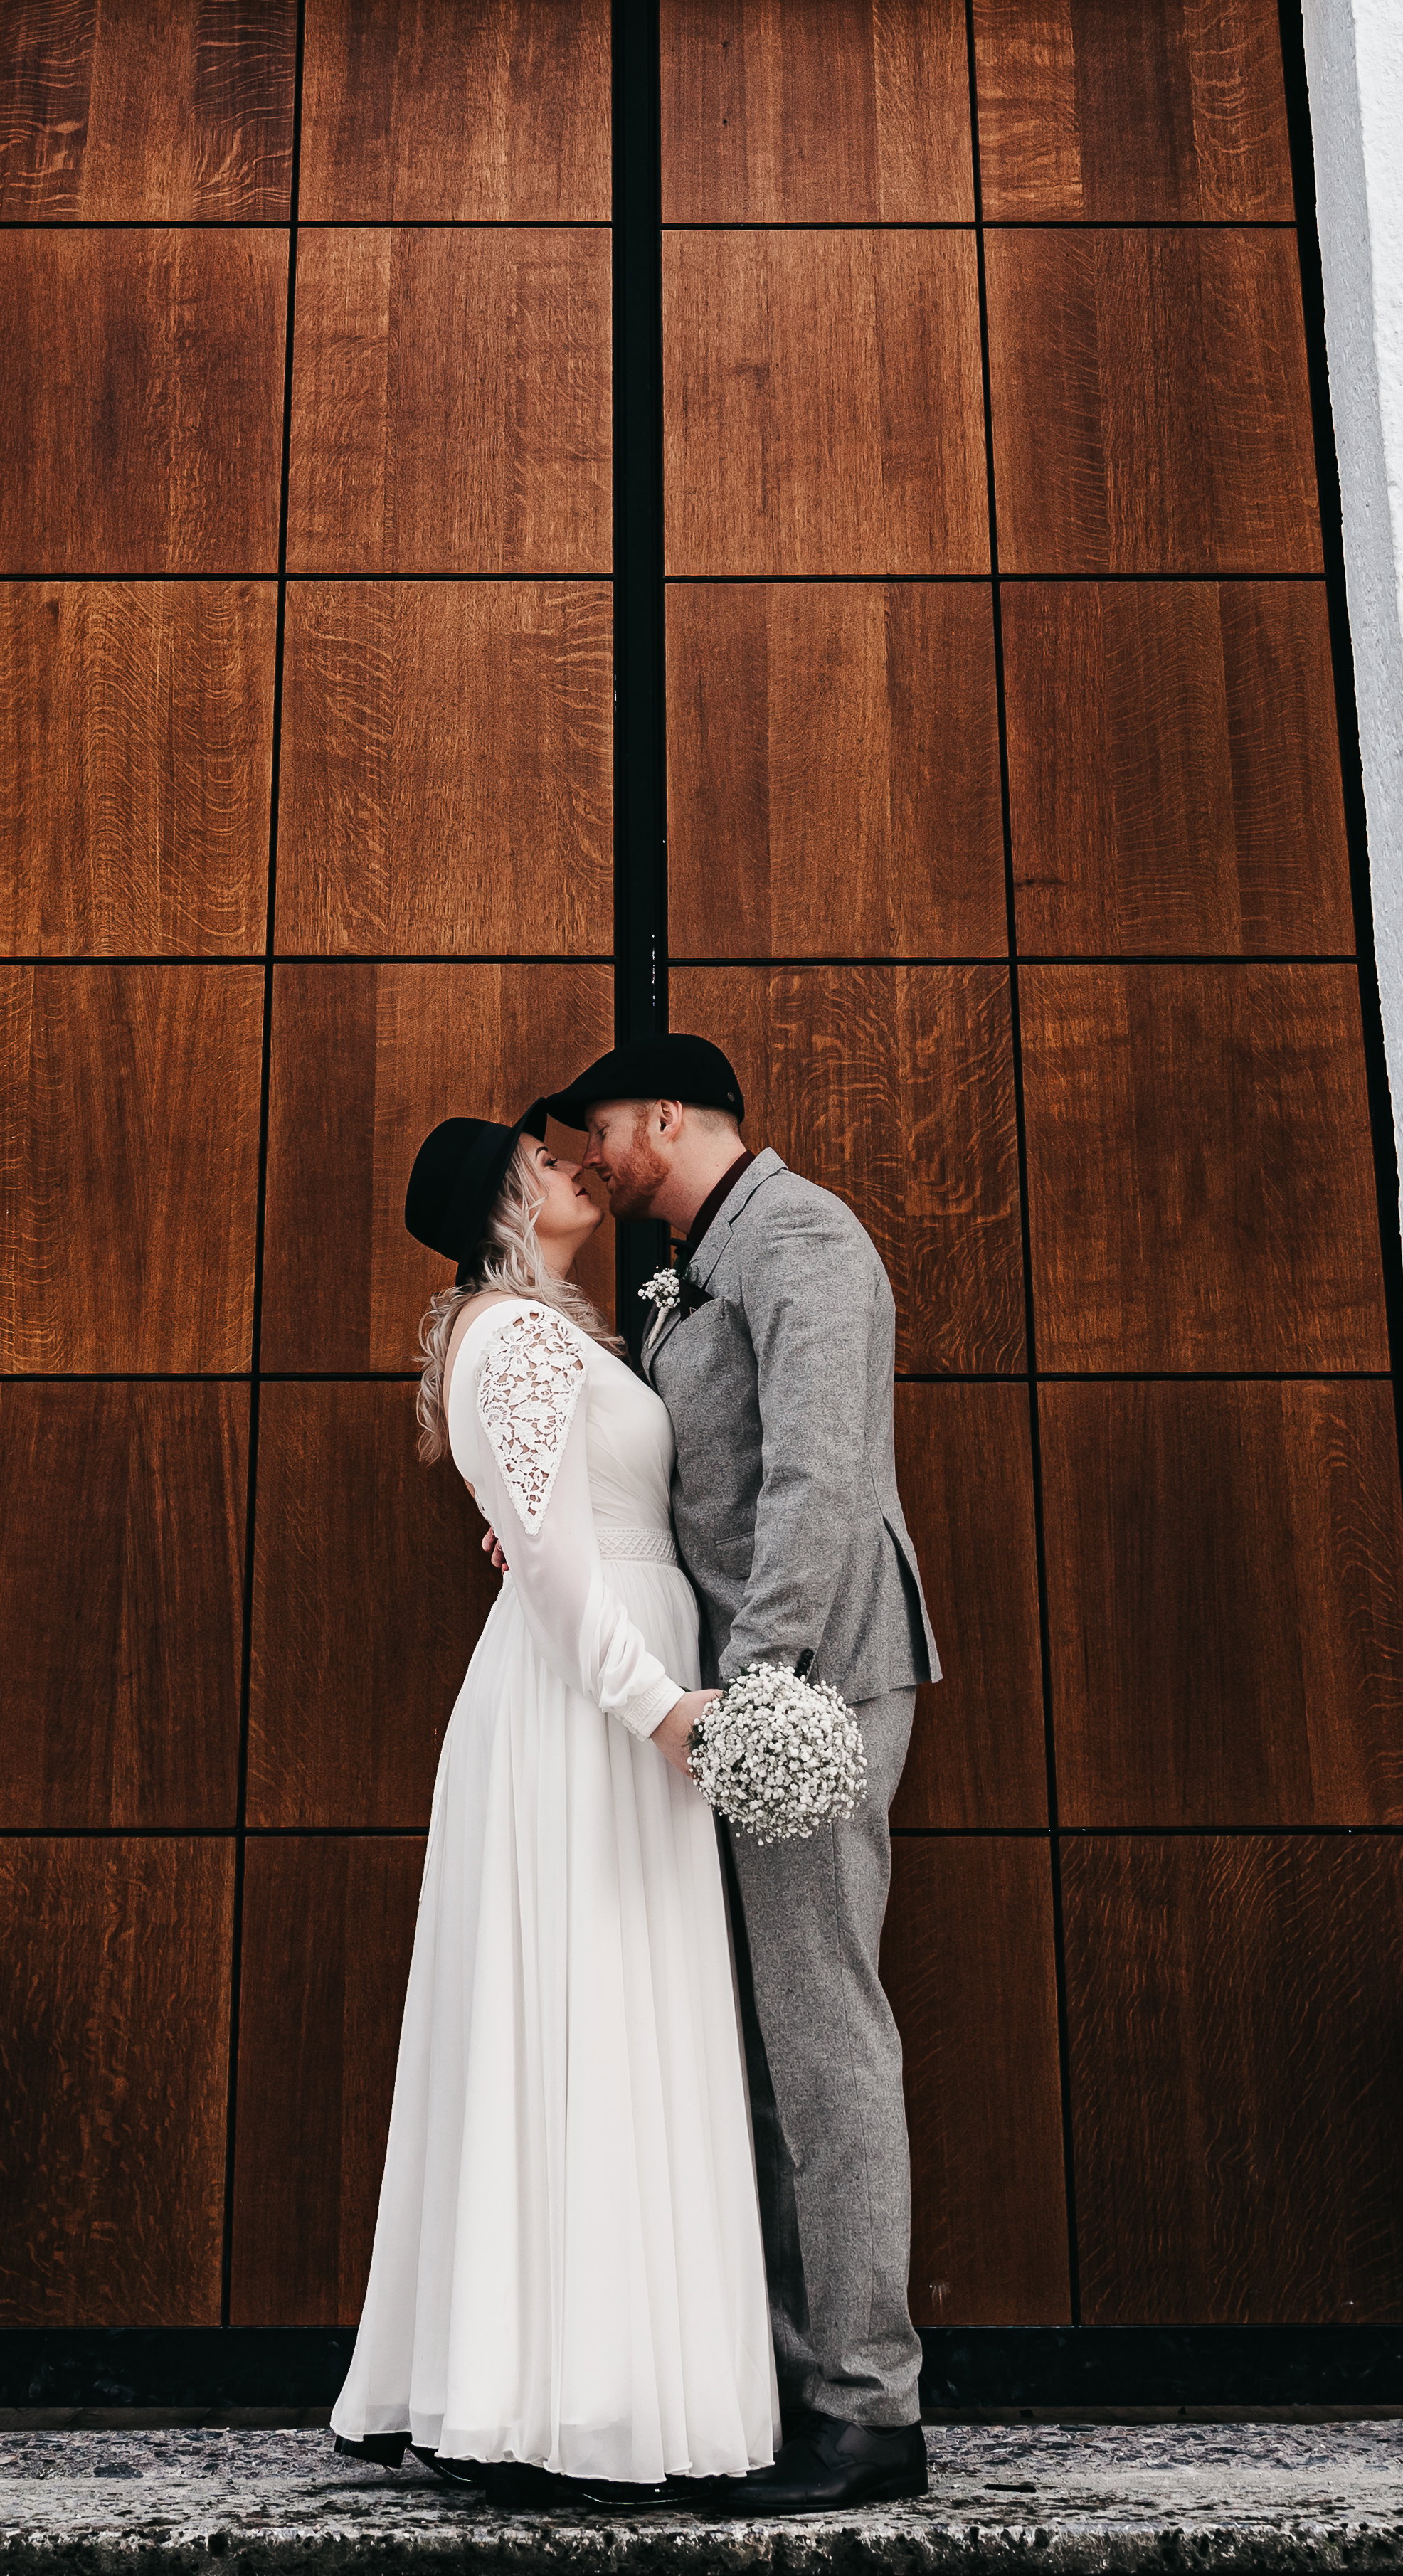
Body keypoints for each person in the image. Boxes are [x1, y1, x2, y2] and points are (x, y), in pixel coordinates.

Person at [327, 1115, 775, 2505]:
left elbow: (558, 1516)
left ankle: (623, 2385)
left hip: (617, 1688)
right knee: (573, 2013)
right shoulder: (508, 1338)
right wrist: (664, 1710)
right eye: (549, 1158)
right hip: (586, 1711)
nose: (582, 1165)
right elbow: (550, 1559)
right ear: (501, 1197)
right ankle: (552, 2392)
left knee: (627, 2016)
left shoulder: (551, 1335)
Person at [534, 1033, 940, 2518]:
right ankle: (768, 2374)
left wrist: (759, 1683)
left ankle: (867, 2406)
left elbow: (821, 1473)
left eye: (603, 1134)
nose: (593, 1160)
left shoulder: (804, 1234)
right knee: (757, 2040)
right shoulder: (701, 1260)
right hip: (730, 1700)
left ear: (666, 1116)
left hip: (807, 1686)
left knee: (822, 2033)